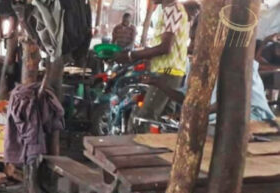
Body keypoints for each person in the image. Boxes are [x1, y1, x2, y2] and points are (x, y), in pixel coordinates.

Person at [145, 41, 275, 122]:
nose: (192, 42)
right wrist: (159, 84)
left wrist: (191, 114)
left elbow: (226, 103)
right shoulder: (200, 66)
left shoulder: (237, 62)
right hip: (216, 121)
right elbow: (188, 98)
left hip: (252, 120)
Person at [115, 0, 189, 125]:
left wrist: (131, 55)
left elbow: (165, 47)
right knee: (161, 123)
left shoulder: (173, 9)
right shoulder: (170, 9)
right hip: (169, 73)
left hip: (166, 73)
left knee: (144, 121)